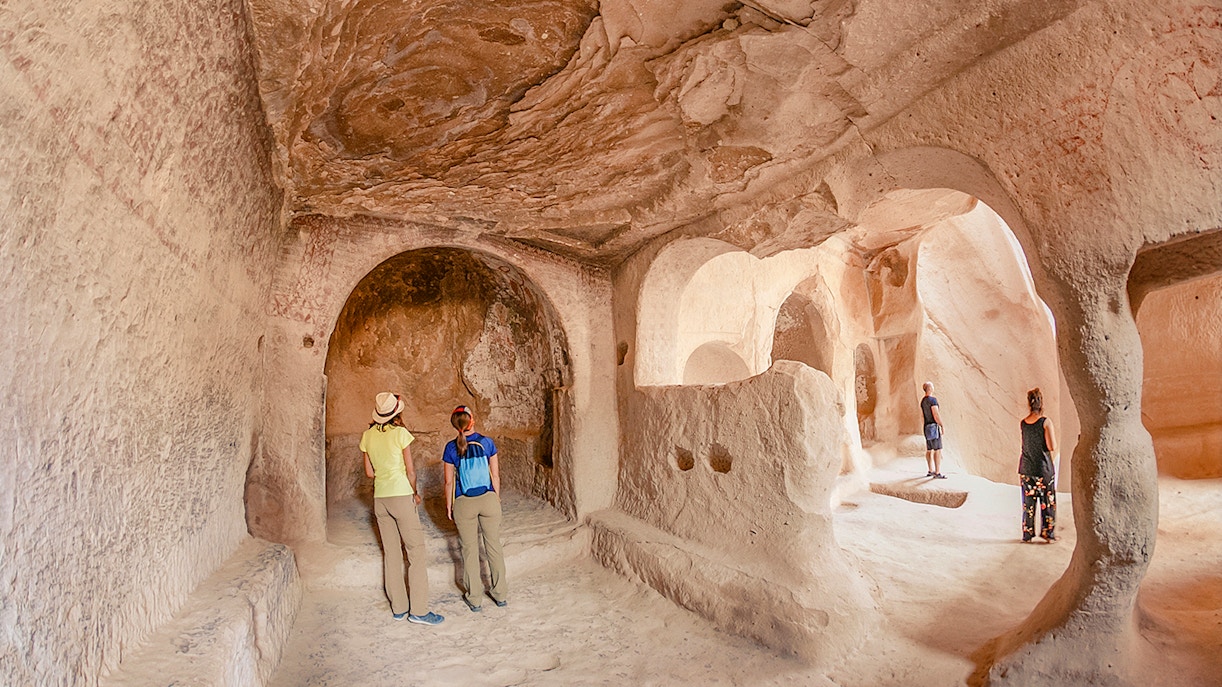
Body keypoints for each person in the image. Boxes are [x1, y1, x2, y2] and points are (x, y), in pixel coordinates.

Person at [360, 392, 444, 625]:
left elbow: (369, 473)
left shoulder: (367, 436)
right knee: (416, 552)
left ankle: (398, 608)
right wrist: (414, 493)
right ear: (396, 413)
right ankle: (419, 610)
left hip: (380, 498)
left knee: (392, 553)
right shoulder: (400, 434)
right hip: (401, 494)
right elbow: (410, 471)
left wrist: (384, 478)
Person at [443, 405, 508, 612]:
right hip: (488, 498)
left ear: (455, 425)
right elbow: (495, 475)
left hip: (464, 502)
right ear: (472, 421)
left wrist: (449, 505)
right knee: (494, 547)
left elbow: (448, 482)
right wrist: (495, 498)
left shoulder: (451, 448)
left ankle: (475, 599)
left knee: (469, 550)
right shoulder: (487, 443)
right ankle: (500, 595)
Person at [1019, 387, 1057, 542]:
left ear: (1029, 403)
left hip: (1026, 468)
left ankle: (1027, 534)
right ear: (1041, 403)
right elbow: (1051, 446)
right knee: (1047, 502)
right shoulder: (1045, 422)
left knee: (1028, 504)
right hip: (1043, 469)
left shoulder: (1023, 423)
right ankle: (1048, 534)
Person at [920, 382, 947, 478]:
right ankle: (937, 472)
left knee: (929, 450)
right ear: (930, 388)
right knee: (937, 450)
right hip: (934, 427)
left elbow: (922, 416)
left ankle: (930, 470)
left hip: (926, 427)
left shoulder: (923, 401)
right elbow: (935, 414)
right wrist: (942, 425)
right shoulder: (933, 400)